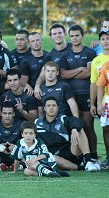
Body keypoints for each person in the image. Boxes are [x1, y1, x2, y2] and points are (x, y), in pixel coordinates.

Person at [59, 25, 98, 162]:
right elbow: (63, 74)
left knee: (88, 125)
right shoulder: (65, 54)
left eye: (77, 35)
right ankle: (79, 156)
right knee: (75, 125)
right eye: (72, 36)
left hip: (86, 94)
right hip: (71, 96)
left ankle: (93, 155)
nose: (74, 38)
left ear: (82, 36)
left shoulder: (90, 53)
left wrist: (73, 73)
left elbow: (89, 73)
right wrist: (80, 69)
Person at [35, 96, 100, 172]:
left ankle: (88, 161)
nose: (51, 108)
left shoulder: (63, 119)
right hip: (51, 156)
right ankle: (82, 167)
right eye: (49, 106)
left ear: (58, 108)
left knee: (79, 130)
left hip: (69, 153)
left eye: (54, 105)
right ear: (45, 108)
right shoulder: (37, 122)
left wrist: (74, 129)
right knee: (52, 158)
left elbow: (78, 121)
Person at [34, 23, 71, 99]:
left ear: (64, 34)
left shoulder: (74, 48)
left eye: (60, 33)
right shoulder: (50, 56)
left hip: (79, 89)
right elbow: (42, 75)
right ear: (51, 37)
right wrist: (37, 86)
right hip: (62, 92)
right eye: (54, 34)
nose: (57, 35)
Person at [93, 29, 109, 168]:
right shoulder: (99, 62)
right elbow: (98, 84)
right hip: (107, 100)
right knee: (106, 128)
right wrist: (97, 103)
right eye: (103, 39)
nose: (106, 41)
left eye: (108, 38)